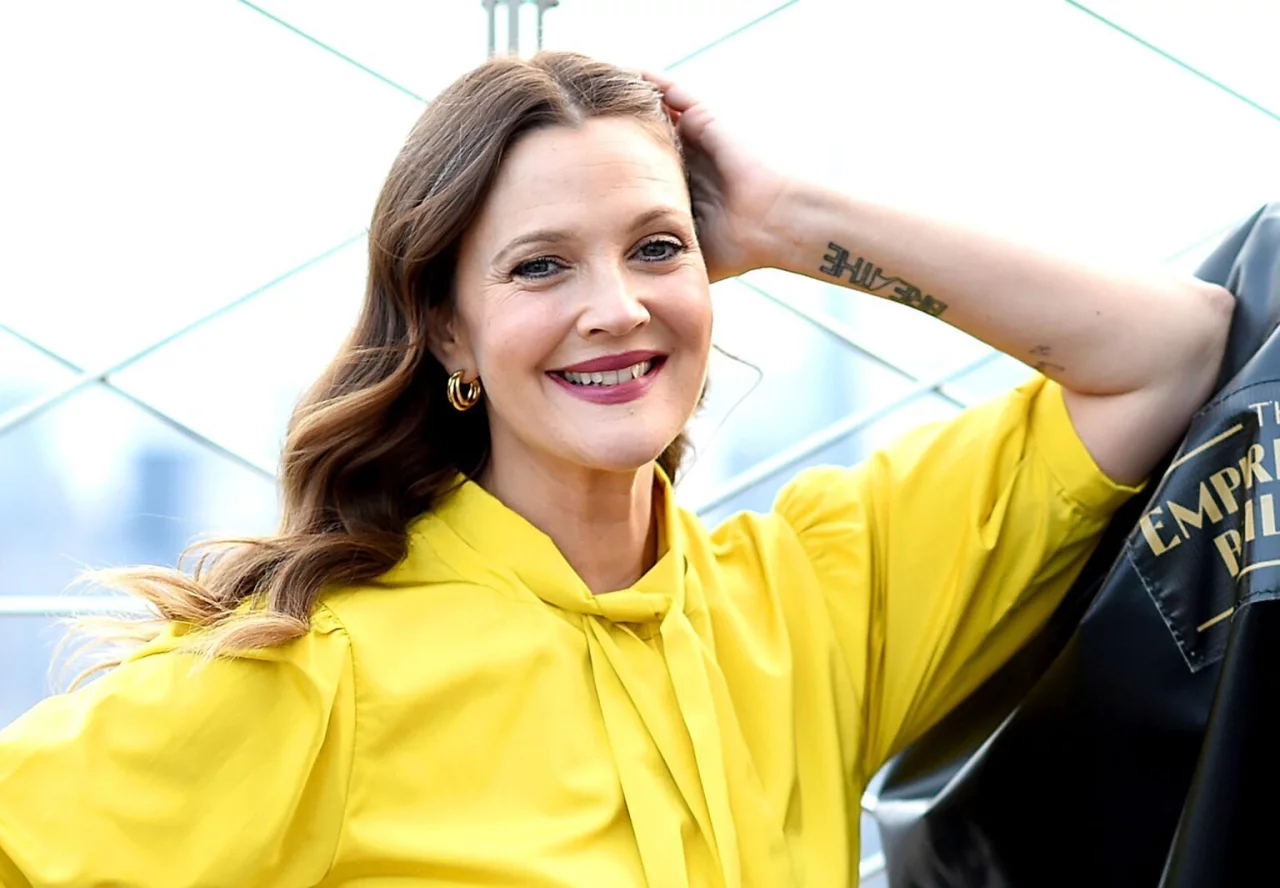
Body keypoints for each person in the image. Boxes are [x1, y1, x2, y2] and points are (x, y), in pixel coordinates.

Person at [0, 51, 1232, 887]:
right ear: (446, 331)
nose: (615, 308)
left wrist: (785, 219)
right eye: (539, 266)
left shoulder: (809, 599)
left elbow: (1165, 348)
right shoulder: (312, 675)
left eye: (655, 248)